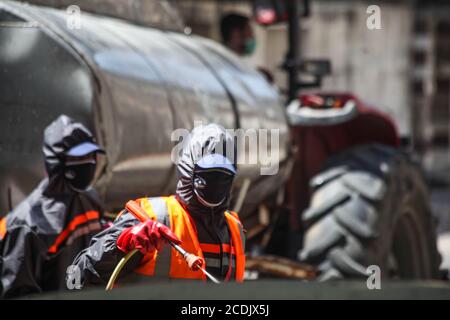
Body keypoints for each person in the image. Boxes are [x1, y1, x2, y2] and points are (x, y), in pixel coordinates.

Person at [72, 124, 245, 287]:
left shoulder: (235, 231)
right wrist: (121, 244)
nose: (216, 182)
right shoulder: (149, 217)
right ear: (188, 168)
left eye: (223, 174)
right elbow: (79, 276)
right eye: (209, 171)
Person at [0, 115, 105, 298]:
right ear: (57, 161)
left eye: (91, 155)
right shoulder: (26, 225)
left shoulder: (90, 197)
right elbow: (18, 292)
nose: (89, 162)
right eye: (80, 157)